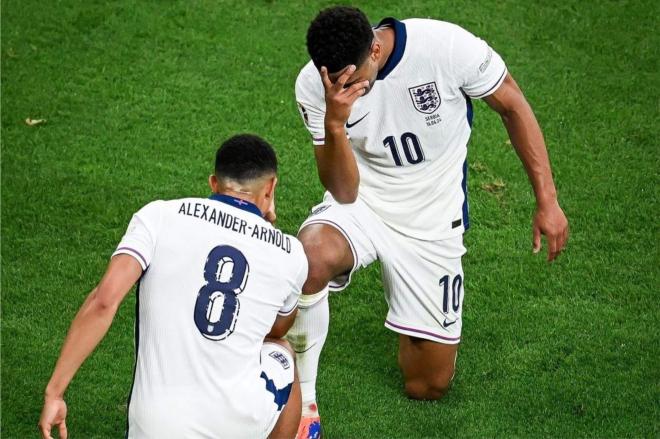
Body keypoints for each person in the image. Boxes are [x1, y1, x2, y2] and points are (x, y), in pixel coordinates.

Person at [290, 6, 569, 437]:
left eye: (355, 77)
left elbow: (512, 104)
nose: (350, 89)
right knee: (308, 258)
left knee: (427, 385)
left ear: (376, 49)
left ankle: (415, 314)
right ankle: (303, 397)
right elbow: (344, 192)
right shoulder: (315, 86)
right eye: (338, 82)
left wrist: (547, 201)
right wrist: (335, 122)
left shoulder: (446, 47)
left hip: (432, 220)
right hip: (364, 201)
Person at [38, 134, 309, 439]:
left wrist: (55, 393)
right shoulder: (290, 253)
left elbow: (104, 301)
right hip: (239, 424)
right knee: (281, 352)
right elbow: (277, 329)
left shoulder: (159, 215)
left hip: (157, 427)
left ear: (213, 183)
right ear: (271, 187)